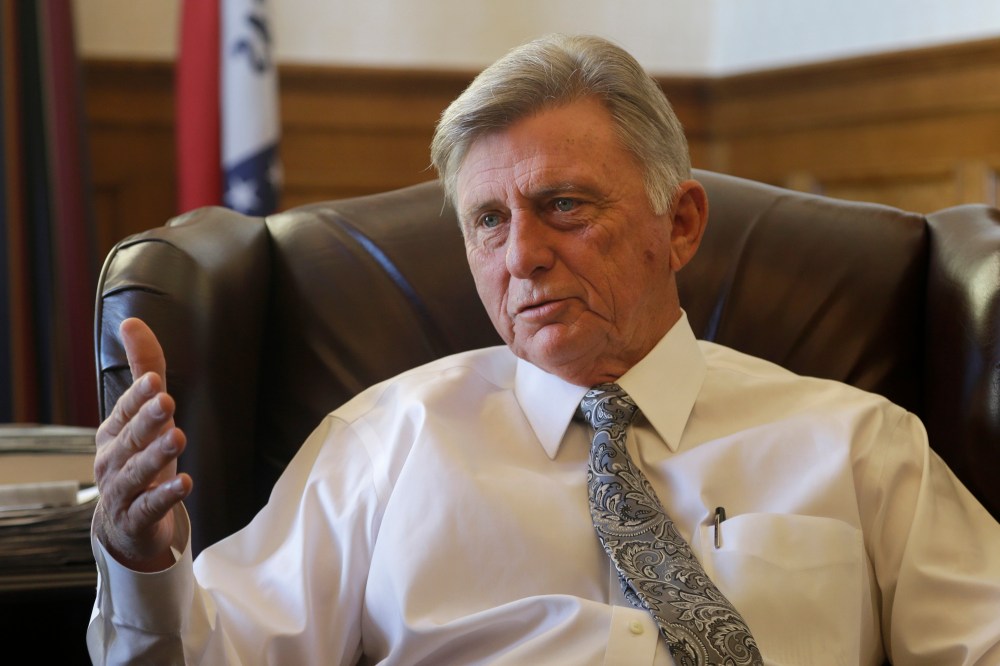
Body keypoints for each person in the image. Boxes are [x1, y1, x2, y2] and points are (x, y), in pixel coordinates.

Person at [88, 33, 1000, 665]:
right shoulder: (383, 443)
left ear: (679, 224)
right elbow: (210, 653)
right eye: (489, 220)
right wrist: (140, 563)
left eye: (564, 204)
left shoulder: (860, 446)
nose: (521, 254)